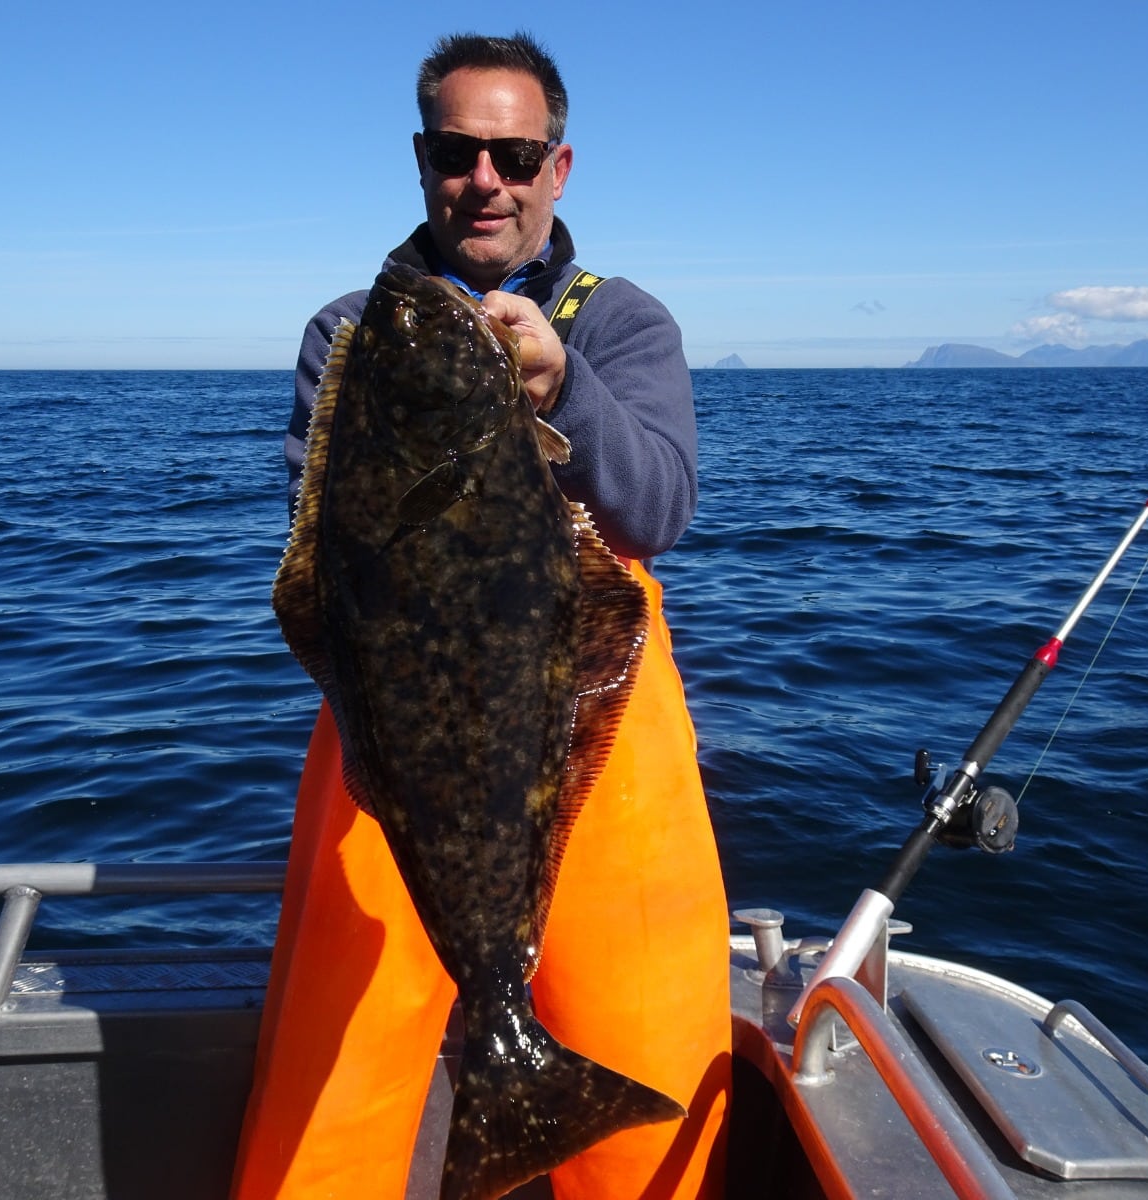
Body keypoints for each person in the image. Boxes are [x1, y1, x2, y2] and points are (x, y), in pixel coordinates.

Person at [232, 31, 732, 1200]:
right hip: (399, 740)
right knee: (332, 1095)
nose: (485, 180)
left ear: (558, 166)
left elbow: (658, 509)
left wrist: (565, 391)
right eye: (458, 152)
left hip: (589, 736)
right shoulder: (352, 333)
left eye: (514, 154)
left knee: (643, 1072)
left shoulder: (621, 322)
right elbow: (327, 544)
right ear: (422, 160)